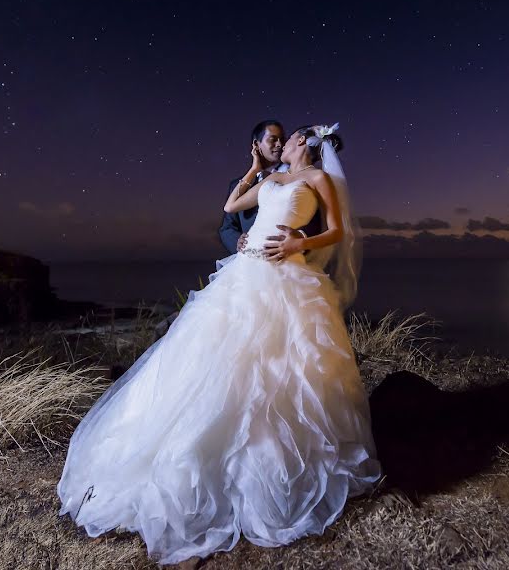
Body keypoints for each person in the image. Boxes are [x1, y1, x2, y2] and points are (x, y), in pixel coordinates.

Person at [57, 123, 382, 566]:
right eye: (278, 139)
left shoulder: (316, 179)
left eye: (288, 139)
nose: (282, 143)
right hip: (243, 274)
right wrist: (253, 170)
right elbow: (230, 205)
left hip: (286, 274)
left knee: (275, 367)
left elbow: (337, 231)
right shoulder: (270, 179)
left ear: (304, 143)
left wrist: (298, 240)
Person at [218, 120, 322, 256]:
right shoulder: (238, 186)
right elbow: (227, 228)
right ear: (256, 144)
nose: (279, 144)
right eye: (272, 140)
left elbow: (314, 221)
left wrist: (299, 238)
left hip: (288, 259)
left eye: (282, 139)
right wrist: (238, 241)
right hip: (249, 259)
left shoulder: (301, 178)